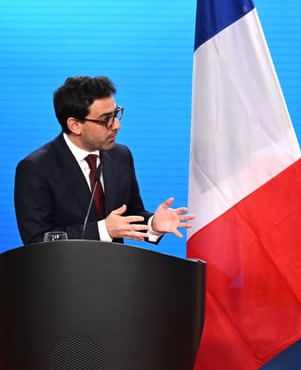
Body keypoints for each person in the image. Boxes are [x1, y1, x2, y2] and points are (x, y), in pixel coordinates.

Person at [15, 75, 193, 244]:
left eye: (116, 114)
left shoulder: (121, 156)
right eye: (106, 120)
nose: (117, 125)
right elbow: (37, 240)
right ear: (75, 125)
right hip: (65, 273)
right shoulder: (36, 168)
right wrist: (103, 230)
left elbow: (128, 215)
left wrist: (153, 224)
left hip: (116, 272)